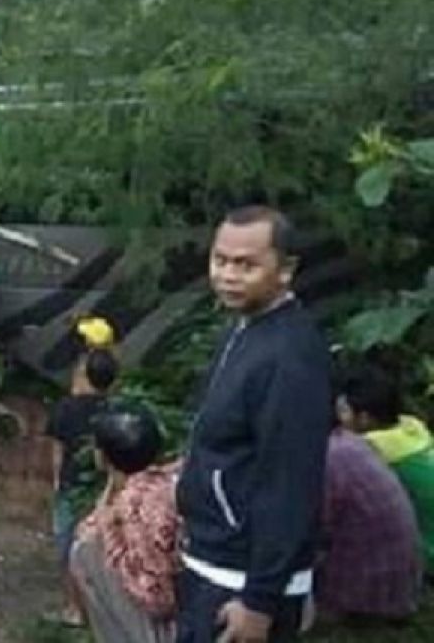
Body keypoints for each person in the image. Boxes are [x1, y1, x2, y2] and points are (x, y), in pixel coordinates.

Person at [176, 206, 333, 643]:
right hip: (213, 559)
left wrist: (260, 600)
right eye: (220, 260)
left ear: (285, 270)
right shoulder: (245, 330)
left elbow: (290, 483)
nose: (228, 275)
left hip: (242, 582)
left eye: (246, 265)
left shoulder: (289, 357)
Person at [70, 405, 179, 643]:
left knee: (81, 552)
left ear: (101, 456)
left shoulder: (120, 514)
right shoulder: (174, 484)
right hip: (192, 613)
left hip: (147, 623)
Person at [46, 323, 120, 627]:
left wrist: (56, 480)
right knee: (101, 552)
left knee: (69, 551)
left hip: (70, 488)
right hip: (104, 490)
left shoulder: (66, 408)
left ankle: (75, 609)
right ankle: (102, 611)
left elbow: (56, 451)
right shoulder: (115, 408)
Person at [315, 419, 422, 623]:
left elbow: (307, 530)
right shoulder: (350, 443)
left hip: (365, 600)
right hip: (400, 588)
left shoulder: (326, 458)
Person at [338, 368, 434, 569]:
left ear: (364, 418)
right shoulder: (410, 432)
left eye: (343, 410)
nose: (338, 416)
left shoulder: (372, 452)